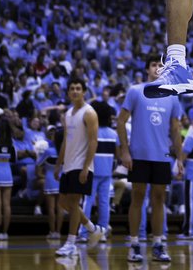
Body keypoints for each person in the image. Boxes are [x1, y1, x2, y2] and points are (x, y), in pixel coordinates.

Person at [118, 55, 184, 263]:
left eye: (161, 66)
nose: (158, 68)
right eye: (154, 65)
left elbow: (175, 130)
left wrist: (180, 158)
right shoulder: (136, 91)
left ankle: (157, 244)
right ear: (147, 69)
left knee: (159, 199)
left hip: (162, 157)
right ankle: (135, 244)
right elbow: (121, 122)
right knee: (137, 198)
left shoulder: (173, 96)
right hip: (138, 155)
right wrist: (125, 151)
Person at [54, 78, 104, 258]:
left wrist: (85, 167)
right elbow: (66, 141)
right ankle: (93, 228)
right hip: (68, 165)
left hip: (81, 165)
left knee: (73, 204)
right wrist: (58, 164)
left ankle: (70, 243)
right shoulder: (67, 114)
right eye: (72, 89)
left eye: (78, 88)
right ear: (68, 93)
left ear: (84, 92)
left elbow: (93, 141)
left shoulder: (89, 113)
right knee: (63, 203)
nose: (75, 91)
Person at [81, 100, 116, 241]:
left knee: (87, 202)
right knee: (104, 202)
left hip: (92, 170)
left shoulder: (90, 132)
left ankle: (83, 233)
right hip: (107, 172)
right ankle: (102, 232)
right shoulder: (114, 134)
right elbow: (117, 155)